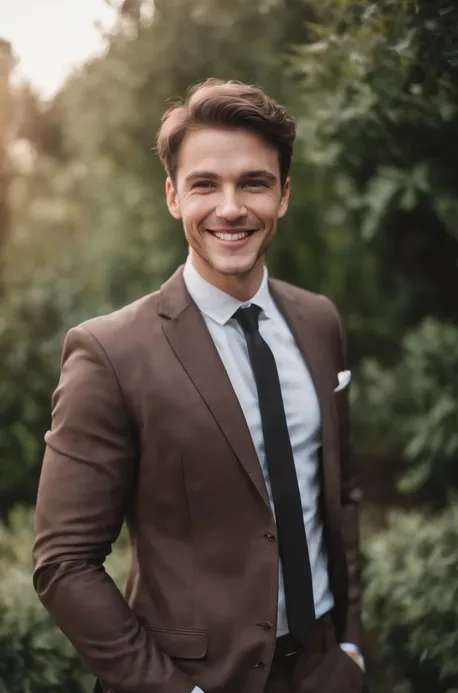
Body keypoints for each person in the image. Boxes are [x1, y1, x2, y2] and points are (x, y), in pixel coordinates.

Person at [33, 79, 366, 693]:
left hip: (325, 672)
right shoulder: (110, 352)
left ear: (284, 195)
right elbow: (64, 564)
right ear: (173, 196)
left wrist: (350, 645)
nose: (231, 207)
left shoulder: (319, 320)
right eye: (205, 184)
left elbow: (339, 494)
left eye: (254, 183)